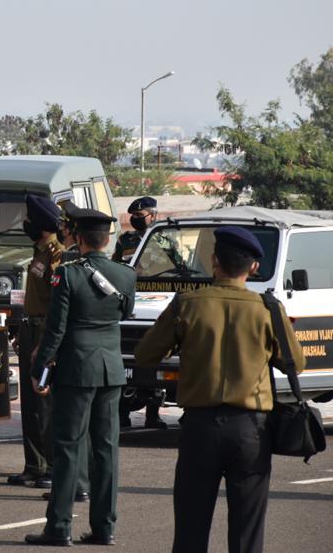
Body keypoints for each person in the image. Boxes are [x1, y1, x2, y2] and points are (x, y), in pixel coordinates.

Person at [134, 226, 305, 553]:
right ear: (254, 267)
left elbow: (145, 355)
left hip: (200, 426)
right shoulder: (268, 309)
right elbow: (296, 363)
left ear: (214, 261)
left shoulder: (187, 304)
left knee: (191, 526)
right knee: (247, 531)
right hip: (251, 429)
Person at [26, 207, 135, 547]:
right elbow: (124, 312)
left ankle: (59, 527)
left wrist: (39, 369)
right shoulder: (125, 275)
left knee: (69, 449)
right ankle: (104, 527)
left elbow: (55, 330)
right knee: (106, 450)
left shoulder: (68, 275)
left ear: (79, 236)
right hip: (111, 369)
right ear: (105, 240)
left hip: (76, 369)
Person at [8, 195, 66, 491]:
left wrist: (43, 345)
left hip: (44, 333)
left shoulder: (56, 254)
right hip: (31, 329)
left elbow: (57, 305)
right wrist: (21, 332)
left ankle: (54, 465)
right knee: (30, 405)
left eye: (28, 218)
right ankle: (34, 466)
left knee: (44, 405)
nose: (24, 223)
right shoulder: (39, 251)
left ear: (41, 222)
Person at [114, 196, 168, 430]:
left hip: (158, 303)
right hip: (132, 302)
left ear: (153, 215)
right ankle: (123, 413)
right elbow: (116, 267)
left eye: (141, 215)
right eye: (134, 217)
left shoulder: (166, 240)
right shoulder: (125, 241)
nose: (136, 220)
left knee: (157, 360)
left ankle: (153, 414)